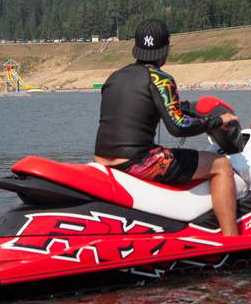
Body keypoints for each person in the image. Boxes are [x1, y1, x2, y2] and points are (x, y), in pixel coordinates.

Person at [94, 19, 241, 235]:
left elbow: (141, 108)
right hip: (137, 161)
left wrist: (186, 108)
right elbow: (178, 126)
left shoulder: (115, 77)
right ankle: (232, 241)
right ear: (165, 50)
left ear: (137, 47)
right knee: (221, 165)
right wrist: (217, 122)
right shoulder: (160, 79)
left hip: (102, 160)